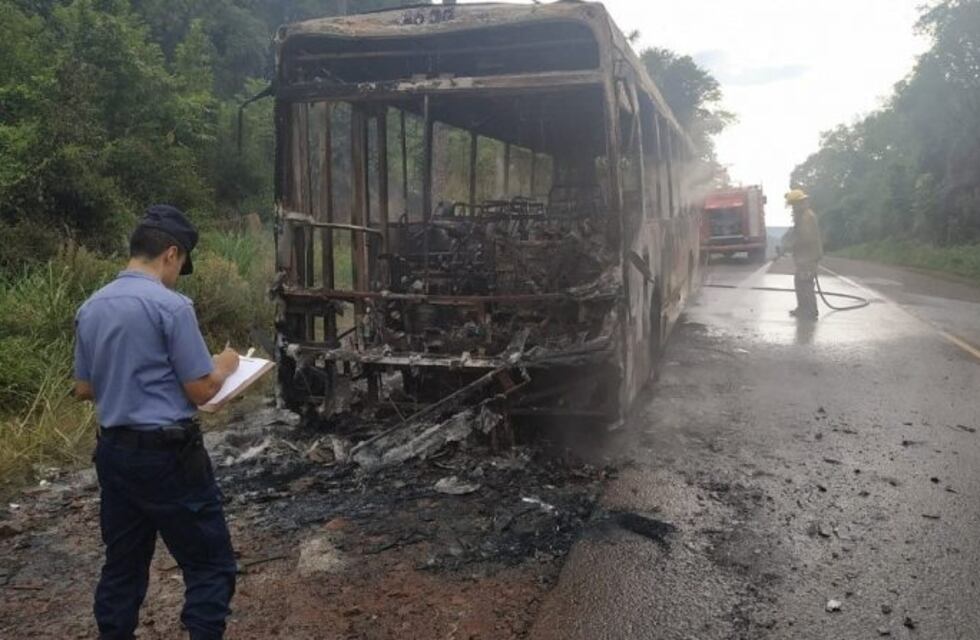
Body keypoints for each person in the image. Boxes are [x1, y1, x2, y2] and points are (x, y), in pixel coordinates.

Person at [74, 205, 241, 640]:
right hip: (170, 458)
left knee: (123, 564)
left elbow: (84, 388)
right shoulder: (171, 306)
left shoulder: (91, 307)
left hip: (114, 453)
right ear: (171, 254)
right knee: (209, 563)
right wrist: (224, 364)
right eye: (180, 264)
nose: (177, 273)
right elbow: (203, 389)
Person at [782, 189, 823, 320]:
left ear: (800, 203)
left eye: (794, 205)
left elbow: (805, 238)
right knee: (800, 281)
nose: (793, 209)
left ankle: (810, 311)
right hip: (805, 257)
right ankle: (802, 308)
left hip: (809, 257)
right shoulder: (803, 217)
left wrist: (791, 245)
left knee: (805, 282)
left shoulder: (806, 217)